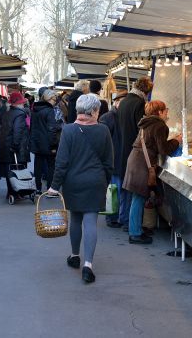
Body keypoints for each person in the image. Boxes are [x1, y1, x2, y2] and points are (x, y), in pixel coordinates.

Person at [47, 94, 113, 283]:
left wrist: (54, 186)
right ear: (93, 111)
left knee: (75, 219)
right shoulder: (103, 131)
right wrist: (105, 182)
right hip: (95, 181)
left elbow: (61, 162)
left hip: (72, 182)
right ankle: (88, 265)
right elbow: (109, 162)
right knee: (91, 221)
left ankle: (75, 256)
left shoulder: (68, 130)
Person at [123, 100, 180, 244]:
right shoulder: (160, 125)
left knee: (137, 197)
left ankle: (135, 229)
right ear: (159, 112)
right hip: (142, 163)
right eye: (165, 110)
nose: (167, 112)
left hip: (136, 159)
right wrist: (177, 141)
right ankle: (135, 233)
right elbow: (163, 149)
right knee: (139, 197)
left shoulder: (146, 122)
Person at [116, 76, 154, 232]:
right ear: (146, 90)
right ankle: (130, 224)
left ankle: (123, 218)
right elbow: (141, 128)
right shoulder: (139, 103)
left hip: (123, 145)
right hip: (134, 148)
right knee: (134, 190)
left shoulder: (125, 101)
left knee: (126, 186)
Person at [99, 90, 128, 228]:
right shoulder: (108, 117)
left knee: (118, 189)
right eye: (122, 102)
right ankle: (111, 218)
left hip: (120, 158)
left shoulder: (121, 116)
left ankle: (118, 217)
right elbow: (102, 140)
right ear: (116, 103)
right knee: (113, 189)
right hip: (113, 159)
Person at [0, 92, 30, 199]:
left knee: (9, 171)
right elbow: (18, 131)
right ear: (19, 103)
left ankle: (11, 192)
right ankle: (19, 192)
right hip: (16, 148)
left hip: (5, 146)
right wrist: (16, 146)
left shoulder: (6, 113)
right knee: (19, 170)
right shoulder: (20, 114)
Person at [30, 89, 62, 192]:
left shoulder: (35, 109)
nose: (55, 101)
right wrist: (53, 145)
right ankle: (50, 189)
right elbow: (51, 129)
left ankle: (37, 188)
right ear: (49, 99)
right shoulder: (49, 111)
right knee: (51, 166)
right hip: (48, 143)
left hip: (37, 143)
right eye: (54, 99)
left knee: (38, 166)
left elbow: (33, 127)